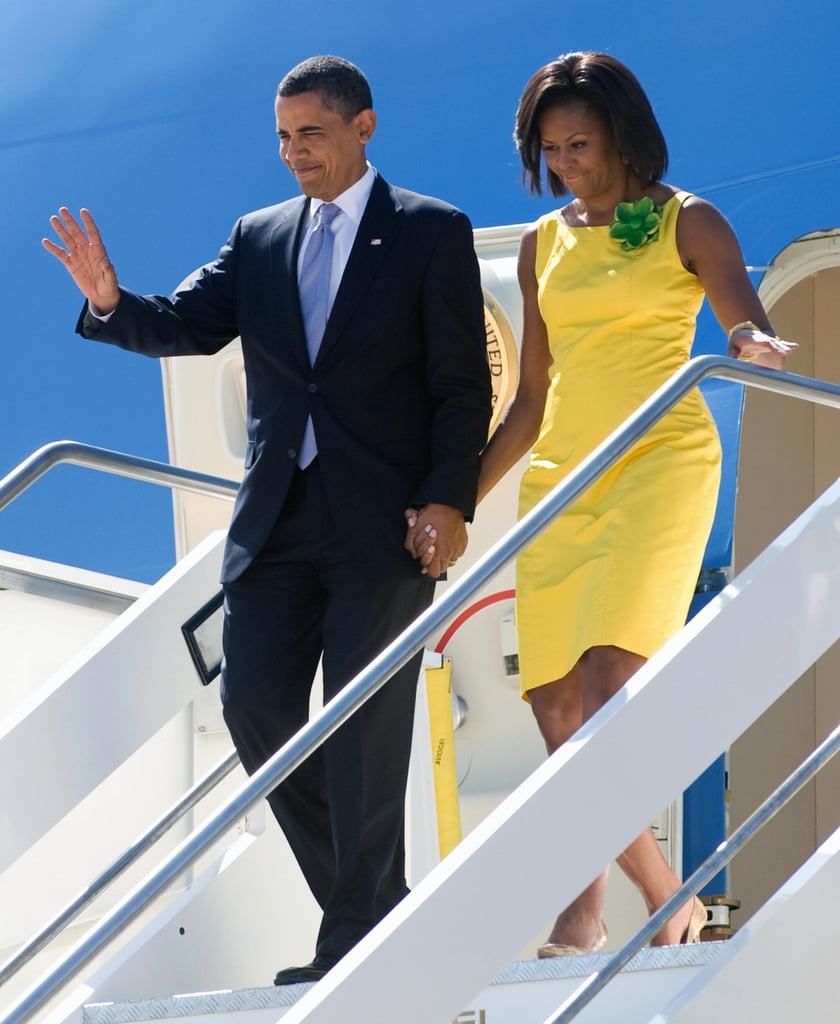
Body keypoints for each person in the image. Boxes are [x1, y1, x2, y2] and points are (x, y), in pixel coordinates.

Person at [43, 55, 492, 984]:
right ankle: (370, 912)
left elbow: (461, 387)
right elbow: (185, 323)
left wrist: (451, 496)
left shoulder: (430, 232)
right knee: (254, 707)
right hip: (279, 520)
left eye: (312, 135)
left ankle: (352, 943)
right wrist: (107, 303)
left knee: (362, 723)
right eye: (284, 138)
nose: (295, 154)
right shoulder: (259, 236)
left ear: (362, 128)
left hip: (386, 521)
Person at [407, 50, 796, 952]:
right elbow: (532, 397)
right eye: (551, 150)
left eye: (580, 142)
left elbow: (742, 313)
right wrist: (453, 501)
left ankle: (590, 912)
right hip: (562, 474)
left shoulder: (687, 219)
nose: (567, 163)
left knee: (613, 684)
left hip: (660, 458)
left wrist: (751, 341)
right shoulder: (545, 242)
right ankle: (668, 901)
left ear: (623, 133)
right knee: (553, 704)